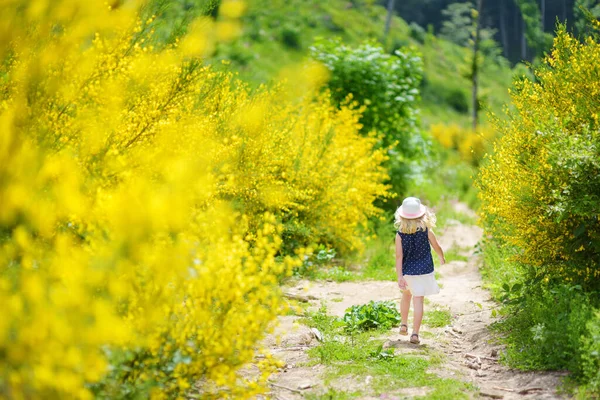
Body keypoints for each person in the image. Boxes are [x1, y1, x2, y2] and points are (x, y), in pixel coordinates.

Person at [394, 197, 445, 344]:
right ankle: (415, 334)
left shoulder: (400, 234)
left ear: (402, 217)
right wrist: (441, 257)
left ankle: (404, 324)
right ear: (422, 215)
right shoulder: (426, 231)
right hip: (424, 271)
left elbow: (398, 257)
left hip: (408, 272)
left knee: (406, 296)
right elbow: (437, 246)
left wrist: (399, 276)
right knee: (418, 301)